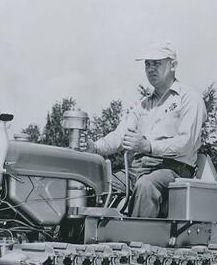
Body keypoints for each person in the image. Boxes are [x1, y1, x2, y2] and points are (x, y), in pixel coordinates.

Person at [84, 41, 207, 217]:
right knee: (96, 183)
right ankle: (84, 237)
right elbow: (120, 136)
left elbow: (186, 144)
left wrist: (148, 146)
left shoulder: (190, 99)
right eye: (147, 64)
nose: (151, 68)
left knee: (146, 185)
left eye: (157, 63)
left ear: (173, 65)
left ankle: (137, 242)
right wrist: (95, 148)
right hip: (138, 169)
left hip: (174, 169)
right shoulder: (143, 104)